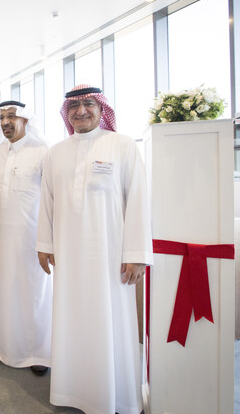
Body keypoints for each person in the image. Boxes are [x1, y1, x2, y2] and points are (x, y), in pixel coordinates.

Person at [36, 84, 153, 413]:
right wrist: (45, 245)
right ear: (67, 112)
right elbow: (47, 203)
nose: (81, 111)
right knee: (71, 318)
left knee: (110, 321)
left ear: (102, 109)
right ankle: (72, 391)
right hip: (70, 258)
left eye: (89, 104)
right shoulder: (55, 152)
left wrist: (137, 255)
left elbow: (139, 202)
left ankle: (116, 395)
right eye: (74, 106)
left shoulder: (123, 146)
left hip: (110, 257)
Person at [0, 100, 52, 376]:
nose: (6, 122)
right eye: (2, 118)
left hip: (33, 235)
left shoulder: (42, 152)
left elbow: (50, 198)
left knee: (34, 293)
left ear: (25, 120)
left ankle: (38, 353)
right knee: (2, 291)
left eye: (12, 116)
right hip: (4, 235)